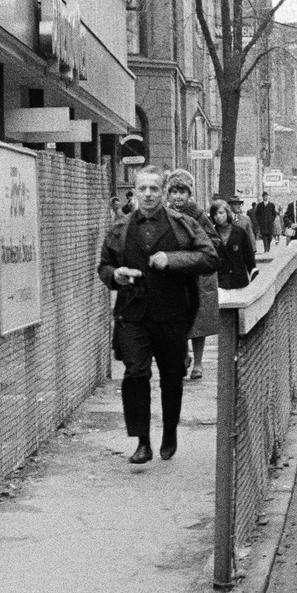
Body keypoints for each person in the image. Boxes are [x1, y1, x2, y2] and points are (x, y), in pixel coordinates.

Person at [96, 165, 218, 465]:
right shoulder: (120, 228)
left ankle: (169, 433)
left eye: (154, 189)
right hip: (132, 313)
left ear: (163, 193)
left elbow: (210, 256)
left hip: (174, 313)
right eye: (143, 189)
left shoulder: (183, 224)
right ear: (134, 193)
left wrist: (173, 259)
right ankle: (141, 441)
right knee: (135, 373)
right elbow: (104, 266)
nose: (148, 194)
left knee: (172, 377)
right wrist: (116, 276)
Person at [164, 170, 220, 381]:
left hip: (198, 277)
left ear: (189, 194)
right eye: (174, 192)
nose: (178, 197)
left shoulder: (198, 216)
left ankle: (197, 363)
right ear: (168, 194)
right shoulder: (163, 215)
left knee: (199, 322)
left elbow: (214, 242)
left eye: (182, 192)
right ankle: (183, 356)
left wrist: (194, 252)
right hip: (174, 277)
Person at [210, 198, 257, 290]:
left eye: (221, 213)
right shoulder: (211, 235)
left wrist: (254, 278)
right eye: (215, 214)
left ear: (227, 213)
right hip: (220, 283)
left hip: (239, 280)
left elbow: (249, 257)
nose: (218, 217)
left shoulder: (239, 232)